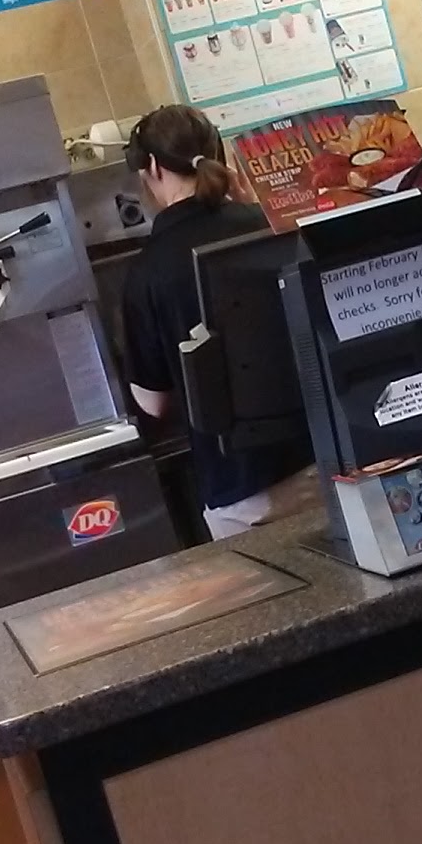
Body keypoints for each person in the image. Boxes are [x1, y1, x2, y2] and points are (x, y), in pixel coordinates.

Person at [122, 104, 313, 540]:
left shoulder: (148, 272)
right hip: (330, 456)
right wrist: (255, 212)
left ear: (152, 167)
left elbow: (153, 403)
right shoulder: (273, 226)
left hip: (244, 493)